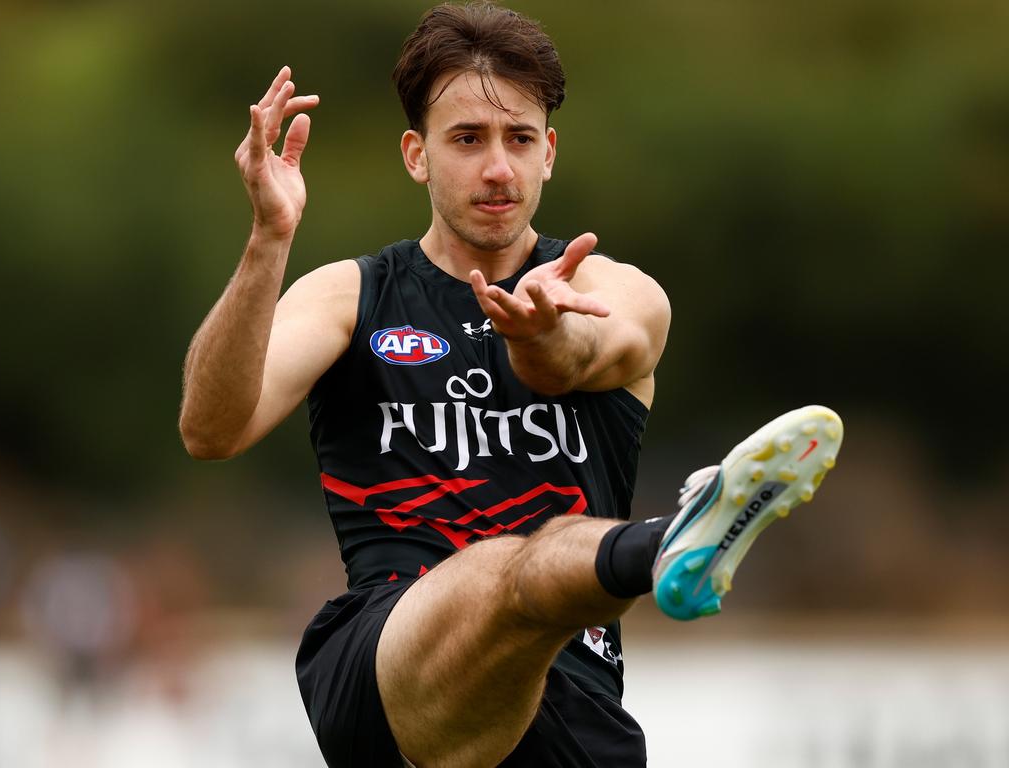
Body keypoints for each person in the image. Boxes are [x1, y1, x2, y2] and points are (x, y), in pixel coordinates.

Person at [178, 3, 843, 766]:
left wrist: (540, 332)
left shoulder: (614, 289)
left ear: (548, 152)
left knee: (538, 566)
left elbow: (575, 358)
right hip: (388, 670)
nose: (498, 167)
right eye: (467, 139)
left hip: (573, 699)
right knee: (507, 565)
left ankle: (669, 544)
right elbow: (210, 430)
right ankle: (669, 542)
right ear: (416, 154)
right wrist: (269, 240)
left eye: (519, 138)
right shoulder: (349, 296)